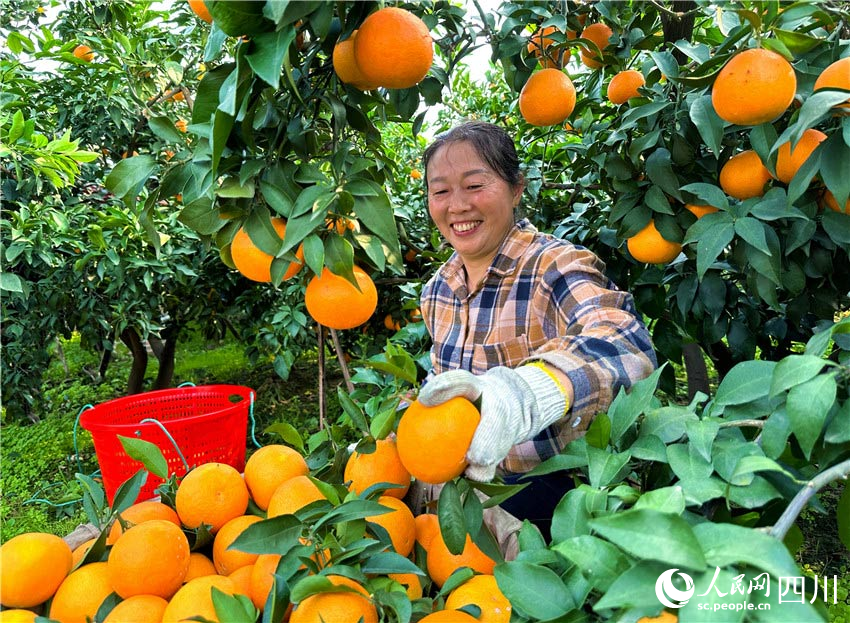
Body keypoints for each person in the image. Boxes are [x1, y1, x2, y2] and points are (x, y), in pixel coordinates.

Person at [416, 121, 657, 541]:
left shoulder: (555, 267)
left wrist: (528, 392)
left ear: (516, 188)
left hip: (558, 499)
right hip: (470, 496)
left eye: (474, 185)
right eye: (440, 192)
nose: (457, 206)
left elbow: (623, 345)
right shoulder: (437, 291)